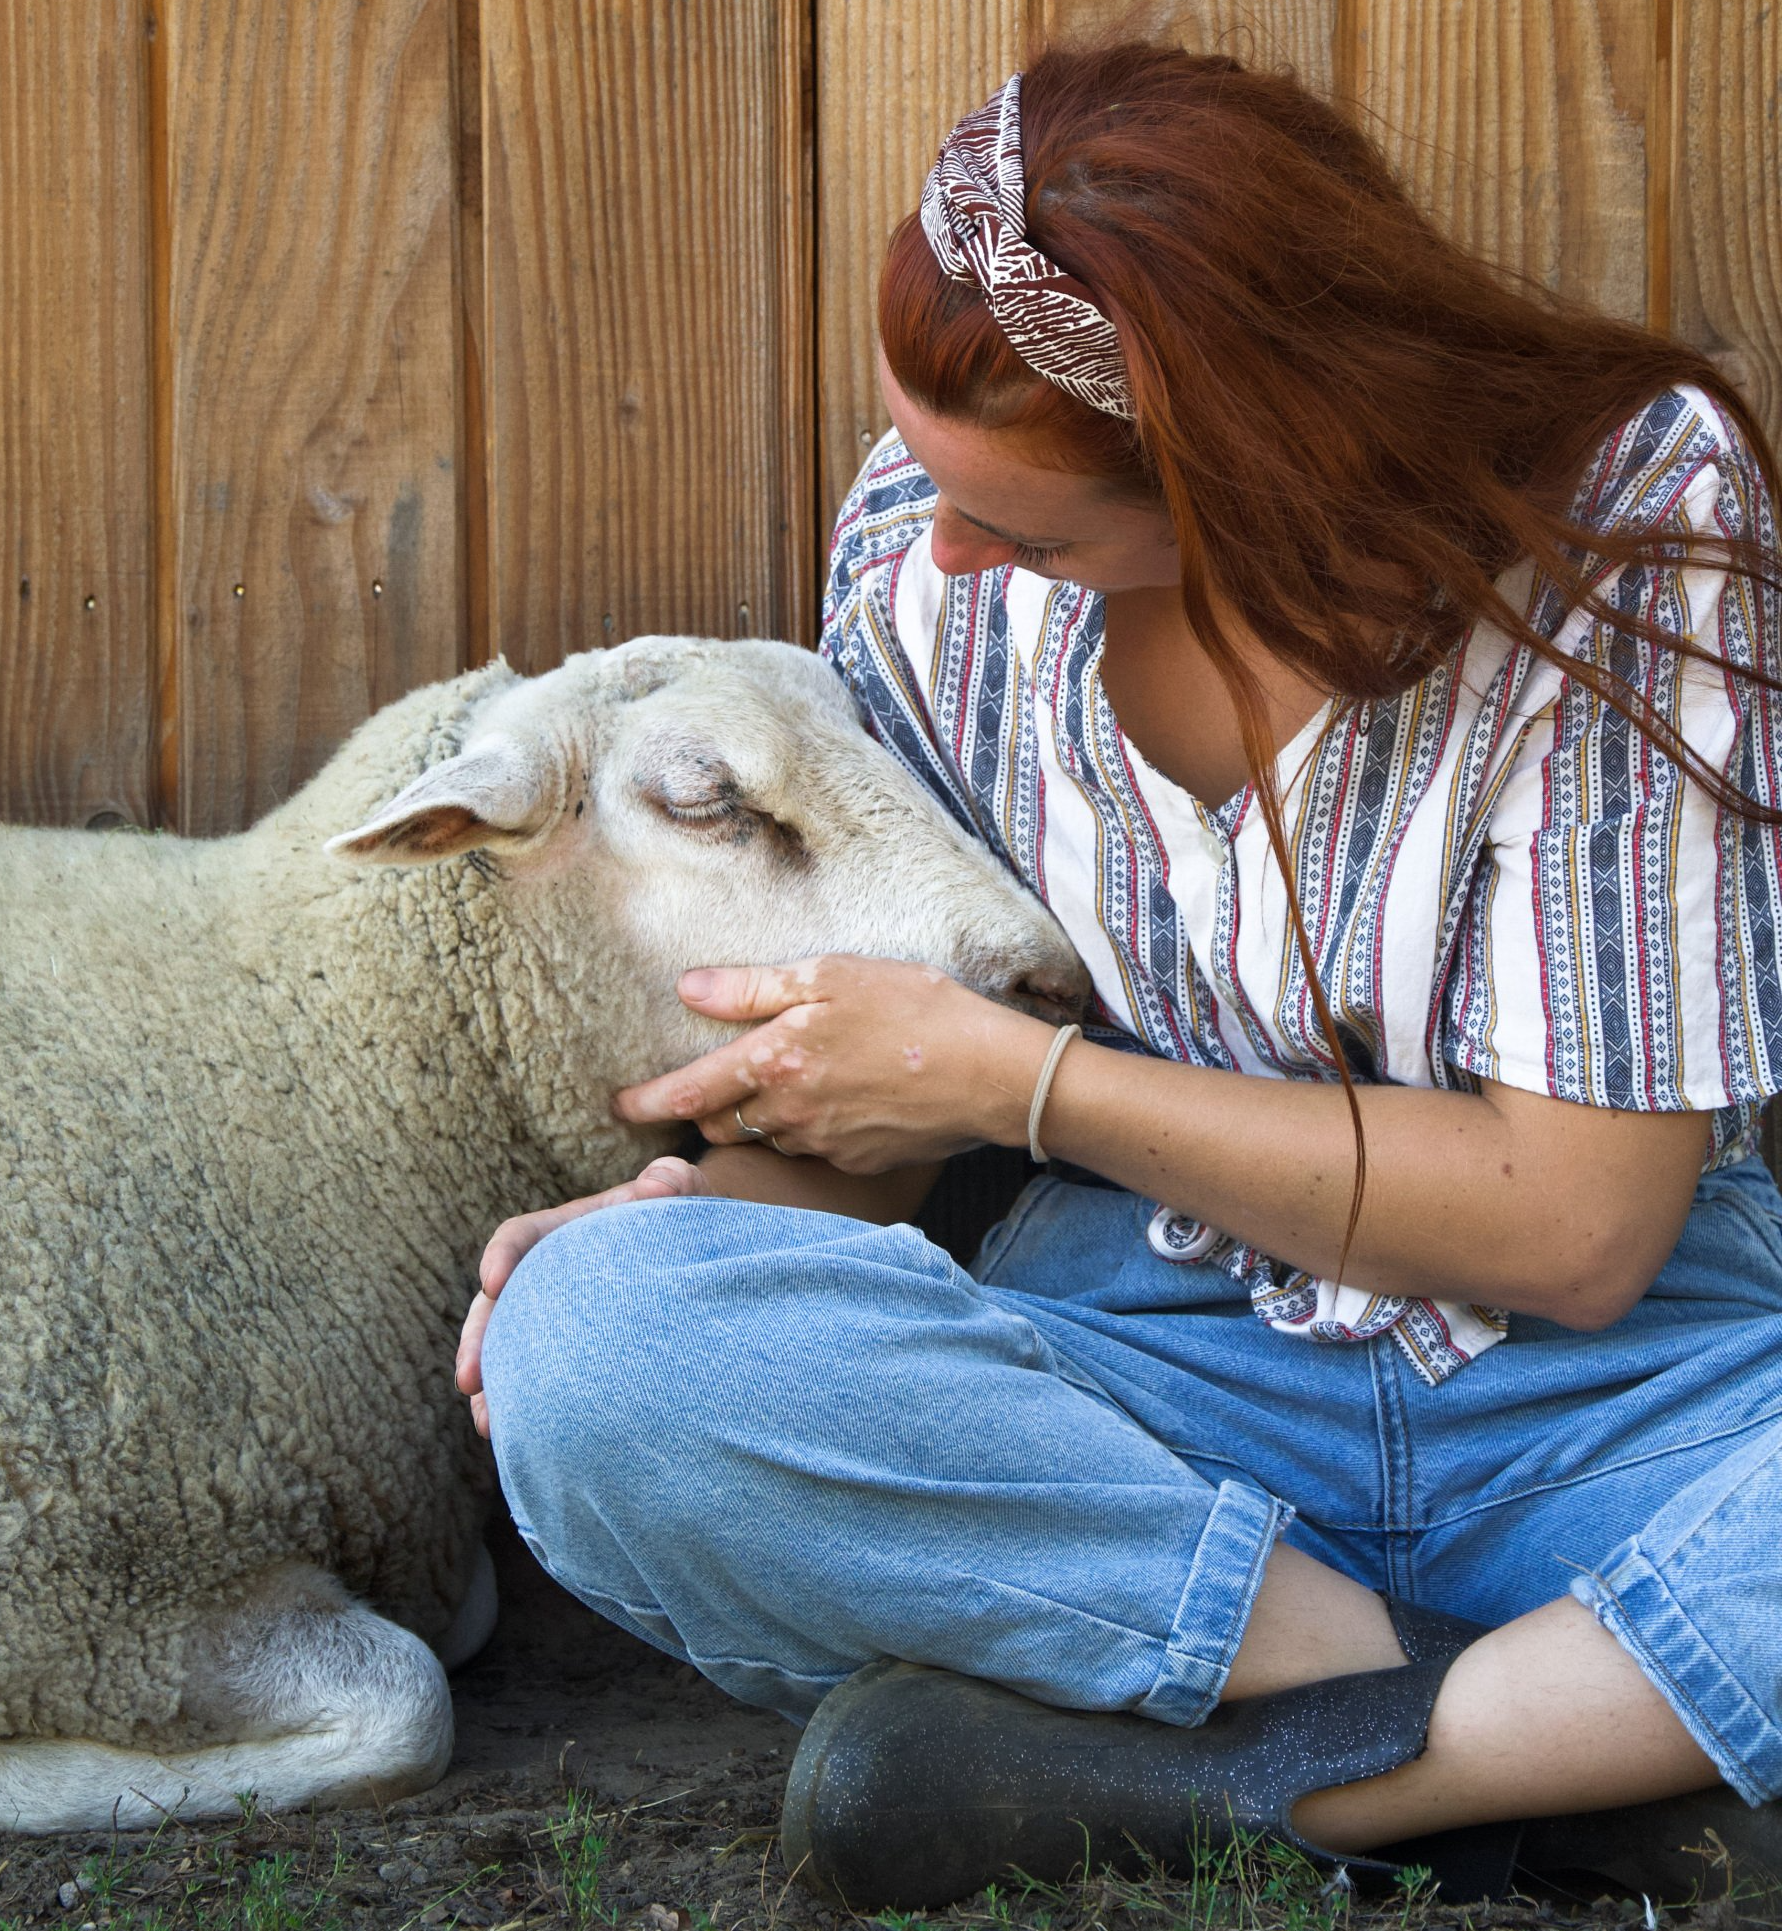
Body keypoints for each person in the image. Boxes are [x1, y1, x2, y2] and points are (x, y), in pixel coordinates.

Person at [457, 37, 1782, 1909]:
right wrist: (687, 1217)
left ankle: (1311, 1785)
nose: (953, 548)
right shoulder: (928, 564)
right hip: (1143, 1416)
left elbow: (1578, 1226)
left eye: (1033, 524)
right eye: (931, 481)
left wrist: (1031, 1090)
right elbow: (876, 1113)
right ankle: (1551, 1728)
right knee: (593, 1337)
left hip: (1621, 1398)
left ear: (1253, 465)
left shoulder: (1631, 526)